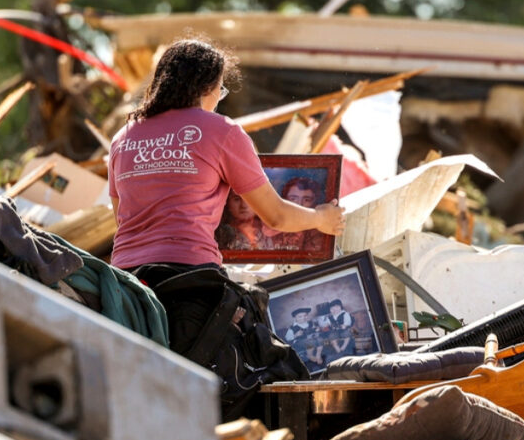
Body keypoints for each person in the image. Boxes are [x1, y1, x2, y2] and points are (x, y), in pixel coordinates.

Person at [107, 37, 345, 273]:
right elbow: (275, 217)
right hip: (187, 277)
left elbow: (123, 219)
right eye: (220, 90)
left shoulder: (122, 137)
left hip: (125, 281)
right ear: (208, 88)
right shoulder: (221, 130)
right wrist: (321, 218)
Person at [262, 177, 326, 251]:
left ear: (314, 203)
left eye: (306, 200)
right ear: (284, 200)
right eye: (293, 198)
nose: (299, 204)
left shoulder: (318, 231)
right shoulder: (269, 223)